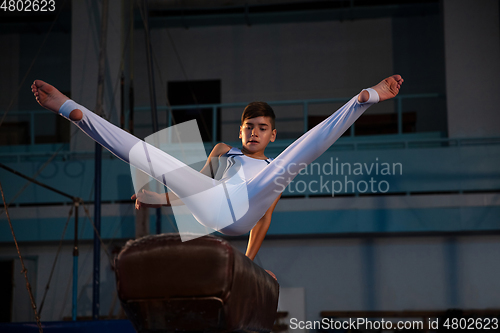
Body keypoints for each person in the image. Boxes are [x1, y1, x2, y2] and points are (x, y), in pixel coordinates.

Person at [31, 75, 403, 264]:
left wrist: (247, 264)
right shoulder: (224, 151)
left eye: (261, 128)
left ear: (271, 135)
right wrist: (158, 198)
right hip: (213, 206)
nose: (254, 132)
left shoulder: (275, 167)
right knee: (156, 158)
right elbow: (195, 189)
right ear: (241, 130)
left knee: (296, 157)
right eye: (249, 126)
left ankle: (362, 99)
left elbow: (263, 221)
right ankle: (73, 111)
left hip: (246, 213)